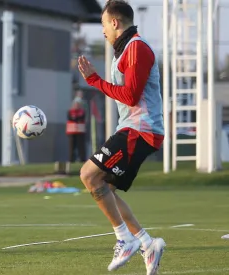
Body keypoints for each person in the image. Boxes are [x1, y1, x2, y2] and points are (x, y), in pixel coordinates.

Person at [77, 1, 166, 274]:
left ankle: (123, 239)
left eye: (104, 24)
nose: (102, 30)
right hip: (132, 128)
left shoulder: (137, 48)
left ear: (115, 23)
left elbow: (130, 95)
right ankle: (146, 243)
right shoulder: (125, 50)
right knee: (106, 191)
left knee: (89, 176)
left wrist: (95, 81)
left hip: (141, 129)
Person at [66, 101, 87, 174]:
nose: (77, 106)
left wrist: (75, 118)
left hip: (80, 132)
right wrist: (76, 118)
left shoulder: (82, 111)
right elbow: (70, 118)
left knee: (81, 147)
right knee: (72, 147)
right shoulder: (70, 111)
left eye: (78, 105)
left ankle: (82, 159)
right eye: (75, 104)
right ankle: (71, 160)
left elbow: (81, 118)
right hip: (72, 132)